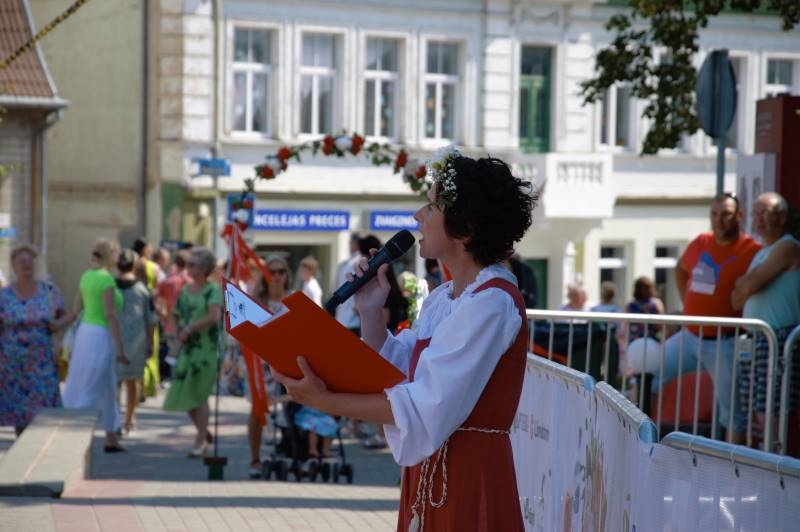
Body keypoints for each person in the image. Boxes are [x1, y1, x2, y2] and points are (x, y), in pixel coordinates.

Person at [273, 149, 535, 530]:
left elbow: (425, 404)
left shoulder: (491, 303)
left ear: (465, 225)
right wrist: (370, 311)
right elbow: (398, 373)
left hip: (469, 476)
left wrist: (328, 401)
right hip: (434, 472)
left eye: (430, 207)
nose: (417, 217)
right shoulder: (447, 298)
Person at [653, 193, 761, 443]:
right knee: (651, 371)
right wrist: (686, 305)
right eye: (714, 214)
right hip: (689, 336)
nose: (719, 221)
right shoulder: (701, 242)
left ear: (739, 216)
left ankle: (732, 467)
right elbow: (680, 269)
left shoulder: (751, 250)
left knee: (731, 412)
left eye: (725, 214)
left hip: (725, 342)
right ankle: (641, 440)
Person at [731, 192, 800, 445]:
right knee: (755, 402)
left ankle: (776, 460)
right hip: (756, 339)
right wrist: (746, 285)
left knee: (770, 403)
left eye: (765, 213)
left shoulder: (787, 246)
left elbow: (751, 283)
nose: (758, 219)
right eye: (755, 213)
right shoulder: (761, 252)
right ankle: (769, 455)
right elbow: (736, 299)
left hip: (778, 338)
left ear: (781, 217)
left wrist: (746, 284)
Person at [62, 238, 129, 452]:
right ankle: (74, 436)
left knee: (106, 386)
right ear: (110, 255)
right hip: (100, 336)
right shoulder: (106, 281)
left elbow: (75, 310)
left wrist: (58, 325)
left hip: (85, 334)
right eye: (116, 253)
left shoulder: (87, 276)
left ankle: (111, 437)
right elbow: (110, 315)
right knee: (91, 386)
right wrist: (120, 348)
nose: (118, 257)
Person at [0, 243, 71, 435]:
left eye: (30, 261)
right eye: (22, 261)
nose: (26, 264)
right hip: (12, 368)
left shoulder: (48, 291)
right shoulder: (4, 296)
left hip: (42, 365)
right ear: (13, 266)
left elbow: (66, 314)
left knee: (41, 415)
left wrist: (57, 325)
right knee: (20, 416)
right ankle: (23, 454)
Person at [162, 247, 222, 458]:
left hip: (205, 349)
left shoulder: (212, 290)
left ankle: (199, 442)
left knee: (199, 394)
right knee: (185, 393)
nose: (188, 267)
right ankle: (204, 432)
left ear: (205, 268)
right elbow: (175, 313)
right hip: (187, 348)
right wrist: (174, 330)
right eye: (188, 264)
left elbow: (214, 316)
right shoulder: (186, 290)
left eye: (193, 264)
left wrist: (190, 328)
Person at [247, 255, 293, 478]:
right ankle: (255, 459)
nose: (276, 276)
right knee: (257, 410)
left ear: (286, 275)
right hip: (261, 363)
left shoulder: (294, 299)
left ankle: (292, 452)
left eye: (280, 272)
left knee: (291, 407)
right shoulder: (257, 301)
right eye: (271, 272)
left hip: (288, 362)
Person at [115, 249, 156, 434]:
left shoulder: (110, 287)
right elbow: (150, 319)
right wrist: (150, 342)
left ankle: (115, 417)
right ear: (134, 266)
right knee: (133, 382)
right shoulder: (142, 290)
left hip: (114, 340)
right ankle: (129, 418)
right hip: (137, 341)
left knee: (115, 382)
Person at [154, 249, 191, 377]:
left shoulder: (167, 280)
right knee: (186, 357)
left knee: (173, 356)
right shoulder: (190, 281)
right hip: (187, 324)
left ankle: (175, 383)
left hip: (170, 324)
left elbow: (153, 300)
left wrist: (163, 315)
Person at [133, 236, 162, 398]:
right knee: (151, 348)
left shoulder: (132, 263)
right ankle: (148, 386)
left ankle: (137, 385)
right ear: (144, 249)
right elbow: (158, 289)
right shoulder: (153, 267)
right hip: (150, 306)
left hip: (135, 308)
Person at [333, 232, 362, 334]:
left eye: (350, 243)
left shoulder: (358, 261)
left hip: (352, 320)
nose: (349, 246)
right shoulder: (349, 262)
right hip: (347, 318)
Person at [623, 276, 665, 342]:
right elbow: (660, 325)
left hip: (634, 340)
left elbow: (625, 326)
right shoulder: (657, 303)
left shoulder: (630, 305)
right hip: (651, 340)